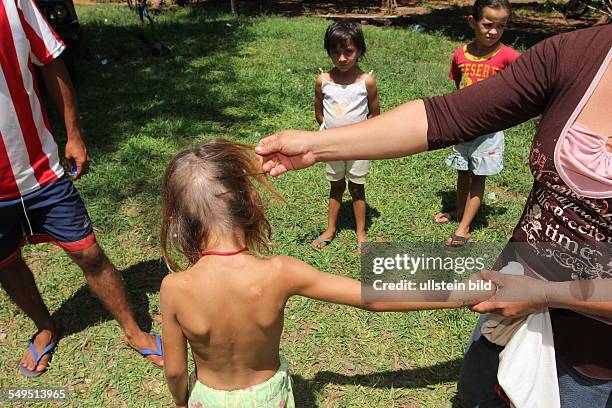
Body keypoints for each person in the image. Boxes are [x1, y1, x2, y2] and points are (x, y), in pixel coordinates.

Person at [256, 24, 612, 407]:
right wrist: (315, 145)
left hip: (591, 355)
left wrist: (544, 294)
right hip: (507, 296)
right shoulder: (580, 53)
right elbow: (445, 116)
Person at [159, 139, 493, 408]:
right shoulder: (279, 272)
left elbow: (175, 370)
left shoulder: (174, 288)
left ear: (179, 220)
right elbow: (370, 296)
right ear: (249, 200)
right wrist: (461, 294)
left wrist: (181, 401)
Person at [0, 0, 162, 376]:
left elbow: (51, 60)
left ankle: (133, 330)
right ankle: (46, 326)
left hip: (41, 170)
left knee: (89, 254)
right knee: (6, 265)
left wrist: (74, 134)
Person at [434, 0, 519, 248]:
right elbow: (458, 86)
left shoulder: (509, 56)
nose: (493, 31)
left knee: (479, 176)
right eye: (488, 24)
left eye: (501, 26)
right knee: (463, 171)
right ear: (473, 22)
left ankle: (464, 227)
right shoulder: (460, 54)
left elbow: (526, 82)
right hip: (463, 128)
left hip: (489, 132)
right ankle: (460, 210)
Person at [312, 20, 380, 253]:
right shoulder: (323, 81)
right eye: (336, 52)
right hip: (332, 146)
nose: (342, 58)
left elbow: (375, 115)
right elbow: (320, 113)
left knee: (357, 188)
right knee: (336, 186)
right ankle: (330, 229)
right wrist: (332, 135)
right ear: (329, 52)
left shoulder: (366, 82)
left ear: (359, 50)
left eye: (348, 51)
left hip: (359, 148)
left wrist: (361, 139)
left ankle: (361, 232)